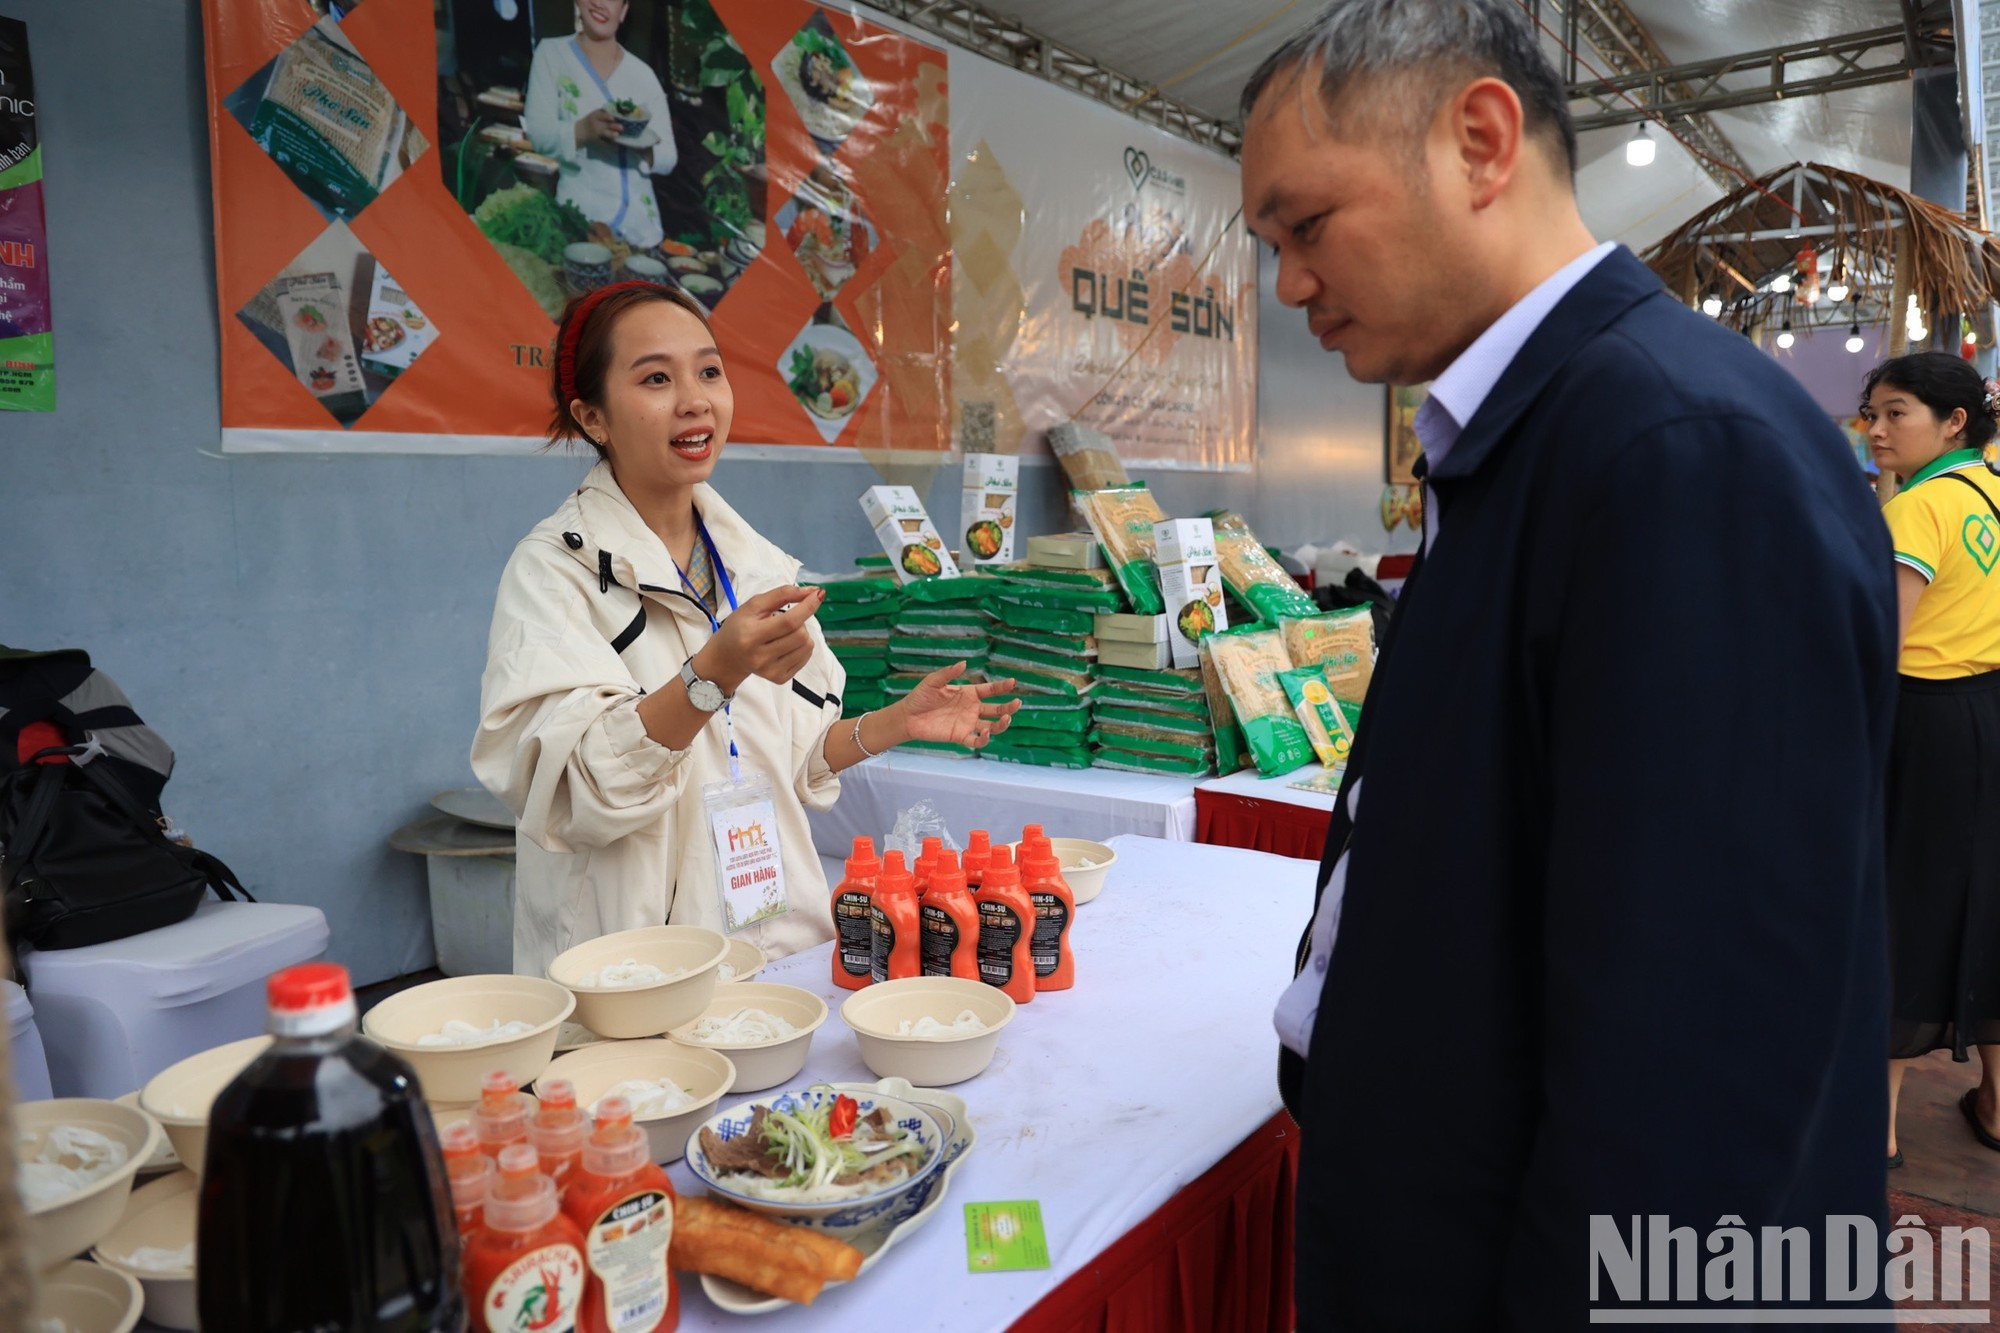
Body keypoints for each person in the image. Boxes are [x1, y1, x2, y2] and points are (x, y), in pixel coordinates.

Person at [1240, 0, 1897, 1323]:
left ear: (1481, 142)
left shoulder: (1680, 453)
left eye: (1306, 226)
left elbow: (1701, 1076)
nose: (1289, 286)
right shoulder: (1550, 433)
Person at [473, 282, 1017, 976]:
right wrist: (710, 676)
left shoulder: (751, 562)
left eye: (709, 371)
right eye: (656, 379)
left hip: (779, 953)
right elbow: (576, 789)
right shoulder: (554, 573)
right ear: (593, 416)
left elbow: (791, 756)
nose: (695, 399)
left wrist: (895, 723)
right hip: (637, 978)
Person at [1862, 352, 2000, 1166]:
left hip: (1925, 719)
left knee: (1905, 905)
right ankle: (1993, 1102)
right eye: (1872, 413)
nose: (1876, 430)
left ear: (1953, 421)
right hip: (1991, 709)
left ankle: (1874, 1127)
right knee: (1990, 901)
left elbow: (1887, 642)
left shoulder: (1919, 511)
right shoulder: (1989, 489)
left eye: (1896, 413)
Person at [522, 0, 675, 251]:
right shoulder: (551, 54)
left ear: (623, 11)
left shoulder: (643, 75)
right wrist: (584, 130)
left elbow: (669, 156)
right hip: (581, 223)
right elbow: (539, 134)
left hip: (641, 230)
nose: (600, 4)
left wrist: (641, 143)